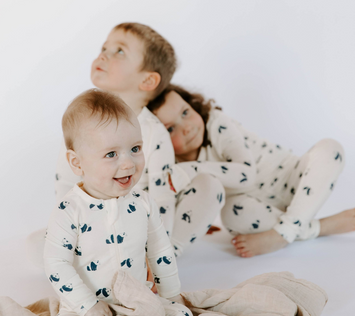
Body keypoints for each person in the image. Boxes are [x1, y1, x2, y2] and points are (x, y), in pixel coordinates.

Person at [53, 23, 224, 257]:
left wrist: (157, 253)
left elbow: (162, 197)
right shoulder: (82, 120)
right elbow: (65, 183)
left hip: (141, 231)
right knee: (36, 245)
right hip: (95, 229)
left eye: (119, 51)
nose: (104, 54)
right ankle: (100, 264)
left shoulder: (153, 132)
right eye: (104, 47)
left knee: (210, 186)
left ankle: (162, 261)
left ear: (147, 81)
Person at [148, 84, 355, 258]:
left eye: (185, 112)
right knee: (231, 215)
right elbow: (171, 196)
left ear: (192, 105)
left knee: (330, 148)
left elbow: (246, 174)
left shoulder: (215, 122)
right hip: (254, 206)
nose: (187, 127)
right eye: (170, 128)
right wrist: (199, 217)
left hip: (294, 179)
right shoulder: (169, 164)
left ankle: (283, 234)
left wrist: (192, 168)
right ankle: (316, 226)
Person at [45, 88, 191, 316]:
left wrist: (171, 294)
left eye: (135, 149)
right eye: (111, 154)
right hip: (85, 306)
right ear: (77, 163)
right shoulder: (70, 209)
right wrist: (87, 305)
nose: (128, 164)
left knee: (182, 313)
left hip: (137, 301)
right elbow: (56, 264)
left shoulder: (144, 204)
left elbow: (160, 250)